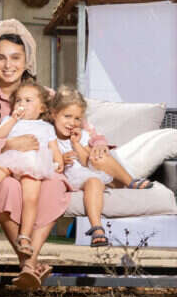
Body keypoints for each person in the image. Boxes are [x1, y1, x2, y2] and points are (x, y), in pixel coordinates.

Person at [0, 19, 105, 290]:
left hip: (42, 167)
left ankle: (28, 265)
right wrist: (10, 145)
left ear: (26, 60)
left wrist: (98, 141)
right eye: (1, 58)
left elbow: (81, 123)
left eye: (15, 58)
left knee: (53, 185)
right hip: (5, 167)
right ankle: (29, 265)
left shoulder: (46, 96)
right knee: (7, 188)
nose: (8, 65)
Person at [49, 85, 153, 247]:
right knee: (94, 182)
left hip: (94, 169)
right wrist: (62, 158)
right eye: (67, 116)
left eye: (77, 118)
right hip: (77, 177)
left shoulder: (81, 135)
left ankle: (130, 181)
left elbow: (86, 161)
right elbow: (50, 163)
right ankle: (97, 229)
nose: (72, 123)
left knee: (100, 157)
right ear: (54, 114)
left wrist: (76, 144)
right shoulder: (49, 136)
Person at [0, 83, 64, 255]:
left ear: (41, 108)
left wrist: (58, 160)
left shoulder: (46, 127)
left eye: (28, 100)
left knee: (30, 198)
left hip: (33, 164)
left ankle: (24, 236)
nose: (21, 104)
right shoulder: (9, 121)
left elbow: (53, 147)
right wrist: (13, 119)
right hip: (11, 159)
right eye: (18, 100)